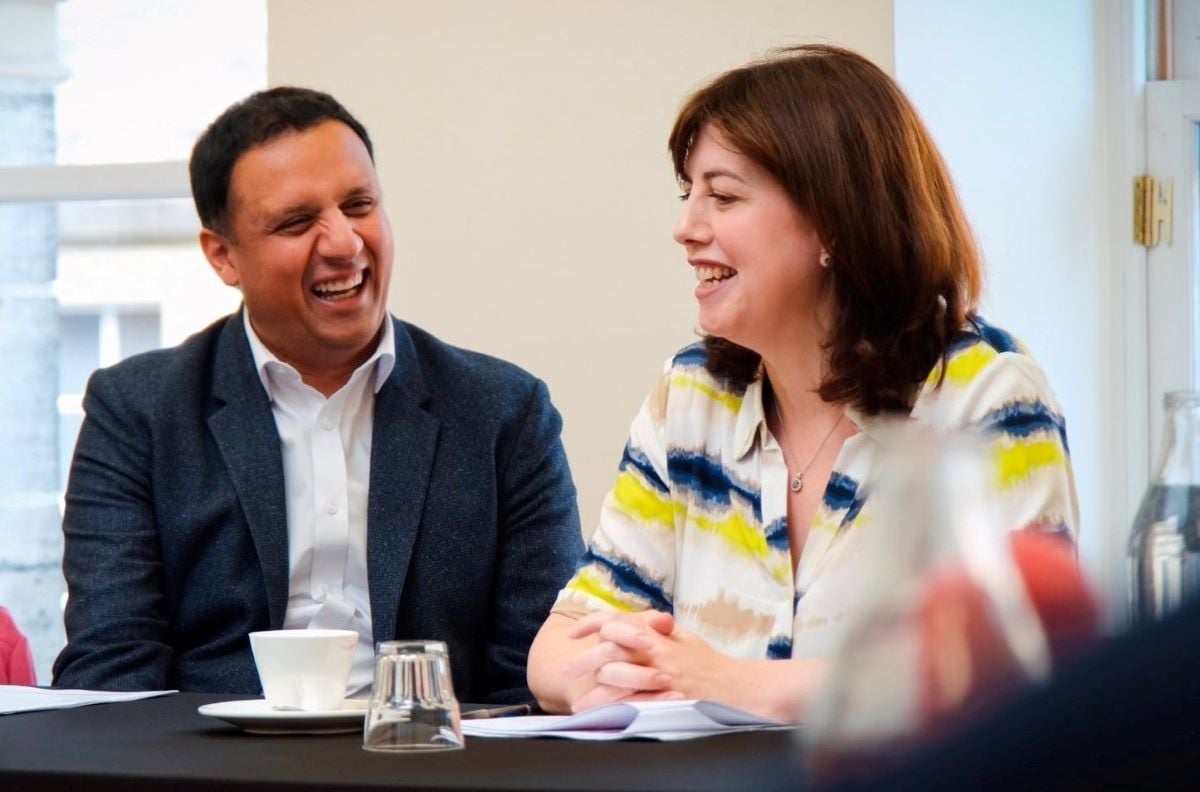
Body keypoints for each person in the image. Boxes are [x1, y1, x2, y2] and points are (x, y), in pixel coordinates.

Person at [527, 45, 1079, 720]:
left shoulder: (986, 395)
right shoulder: (689, 397)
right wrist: (595, 676)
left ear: (833, 224)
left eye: (722, 196)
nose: (685, 228)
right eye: (688, 194)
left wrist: (733, 682)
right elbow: (559, 645)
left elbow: (1021, 663)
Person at [52, 87, 583, 704]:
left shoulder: (504, 411)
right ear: (223, 255)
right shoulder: (138, 411)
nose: (344, 243)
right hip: (210, 763)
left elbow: (536, 667)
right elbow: (113, 667)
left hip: (432, 761)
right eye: (297, 222)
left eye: (359, 205)